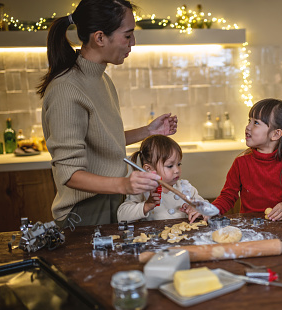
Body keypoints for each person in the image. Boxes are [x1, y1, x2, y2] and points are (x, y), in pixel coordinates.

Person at [37, 0, 177, 226]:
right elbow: (70, 174)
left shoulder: (102, 79)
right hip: (86, 212)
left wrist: (149, 131)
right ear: (100, 37)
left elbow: (103, 141)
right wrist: (124, 185)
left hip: (112, 200)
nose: (133, 42)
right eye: (128, 35)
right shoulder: (66, 89)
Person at [212, 98, 282, 221]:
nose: (248, 127)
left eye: (256, 123)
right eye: (249, 121)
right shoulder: (241, 163)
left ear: (276, 134)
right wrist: (209, 211)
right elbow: (227, 197)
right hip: (250, 229)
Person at [118, 135, 206, 223]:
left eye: (179, 164)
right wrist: (147, 205)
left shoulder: (186, 188)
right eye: (170, 166)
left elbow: (208, 209)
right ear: (149, 169)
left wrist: (197, 209)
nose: (176, 170)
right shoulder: (141, 190)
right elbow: (122, 216)